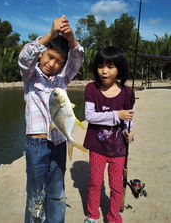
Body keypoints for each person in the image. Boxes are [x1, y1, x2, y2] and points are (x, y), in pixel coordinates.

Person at [18, 15, 84, 223]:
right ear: (41, 55)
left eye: (59, 62)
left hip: (59, 141)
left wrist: (71, 38)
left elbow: (77, 58)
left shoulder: (62, 79)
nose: (52, 64)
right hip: (36, 143)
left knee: (56, 190)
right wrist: (52, 34)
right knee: (36, 192)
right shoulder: (30, 76)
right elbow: (24, 57)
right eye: (49, 57)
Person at [83, 47, 135, 223]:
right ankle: (92, 215)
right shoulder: (91, 88)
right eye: (100, 66)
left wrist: (129, 132)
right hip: (97, 147)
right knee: (95, 183)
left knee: (116, 186)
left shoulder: (128, 92)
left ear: (119, 68)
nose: (104, 71)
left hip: (119, 149)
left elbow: (128, 118)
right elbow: (89, 116)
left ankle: (114, 216)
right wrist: (116, 115)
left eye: (110, 66)